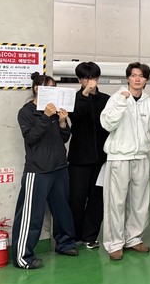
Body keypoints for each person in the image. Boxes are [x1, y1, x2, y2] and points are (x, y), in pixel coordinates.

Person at [12, 72, 78, 269]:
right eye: (49, 88)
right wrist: (45, 117)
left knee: (62, 210)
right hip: (38, 171)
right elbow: (31, 138)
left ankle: (65, 244)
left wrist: (63, 123)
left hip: (59, 167)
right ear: (37, 89)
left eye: (54, 88)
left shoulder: (56, 110)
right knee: (31, 214)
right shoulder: (26, 112)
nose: (53, 91)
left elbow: (64, 138)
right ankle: (23, 257)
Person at [100, 62, 150, 261]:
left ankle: (133, 238)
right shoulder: (117, 98)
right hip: (119, 157)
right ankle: (114, 243)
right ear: (128, 78)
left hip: (141, 157)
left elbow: (148, 131)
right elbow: (107, 124)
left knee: (140, 202)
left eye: (141, 76)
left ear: (146, 79)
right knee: (115, 202)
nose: (137, 79)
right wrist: (122, 102)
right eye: (133, 75)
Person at [67, 62, 110, 250]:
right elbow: (76, 116)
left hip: (101, 159)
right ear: (80, 80)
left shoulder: (106, 99)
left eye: (93, 78)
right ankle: (74, 235)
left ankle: (90, 236)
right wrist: (85, 94)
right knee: (76, 198)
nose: (90, 81)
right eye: (85, 78)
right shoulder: (73, 99)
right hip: (79, 159)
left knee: (97, 198)